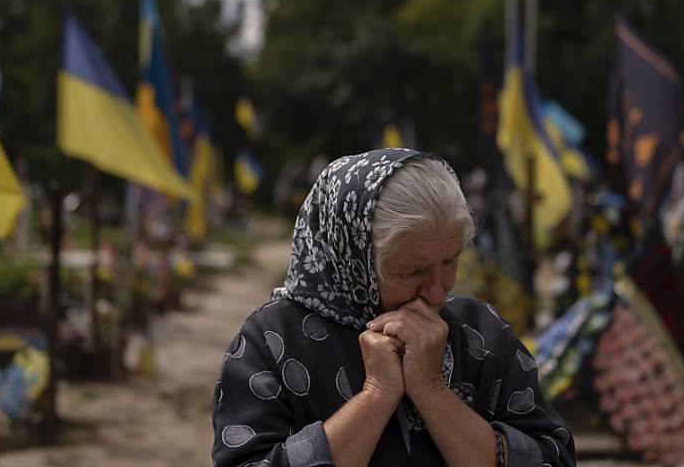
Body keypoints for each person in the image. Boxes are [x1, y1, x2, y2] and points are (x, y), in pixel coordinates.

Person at [212, 149, 575, 466]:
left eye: (450, 262)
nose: (436, 292)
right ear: (355, 261)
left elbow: (552, 457)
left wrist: (432, 392)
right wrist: (376, 394)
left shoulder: (480, 333)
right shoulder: (273, 341)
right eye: (413, 272)